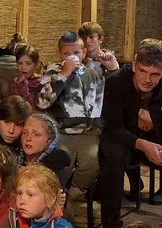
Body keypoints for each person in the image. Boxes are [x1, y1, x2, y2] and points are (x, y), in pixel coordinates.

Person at [99, 39, 162, 228]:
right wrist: (143, 145)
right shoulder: (115, 83)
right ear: (134, 66)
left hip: (157, 141)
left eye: (154, 75)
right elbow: (113, 127)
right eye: (143, 72)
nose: (147, 80)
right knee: (111, 154)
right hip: (124, 140)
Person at [36, 31, 117, 194]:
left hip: (88, 133)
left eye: (76, 53)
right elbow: (41, 102)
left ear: (84, 53)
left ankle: (74, 192)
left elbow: (111, 96)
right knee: (60, 166)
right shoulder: (53, 73)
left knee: (92, 163)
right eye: (66, 53)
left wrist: (113, 70)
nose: (71, 57)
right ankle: (59, 195)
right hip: (61, 132)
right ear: (59, 54)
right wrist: (63, 75)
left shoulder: (93, 74)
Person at [15, 113, 72, 189]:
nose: (28, 138)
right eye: (25, 133)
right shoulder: (12, 160)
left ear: (49, 140)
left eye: (36, 134)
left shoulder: (55, 170)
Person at [6, 44, 42, 108]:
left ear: (36, 65)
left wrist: (23, 86)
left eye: (28, 63)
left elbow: (34, 108)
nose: (23, 67)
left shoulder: (41, 84)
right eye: (20, 63)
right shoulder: (15, 82)